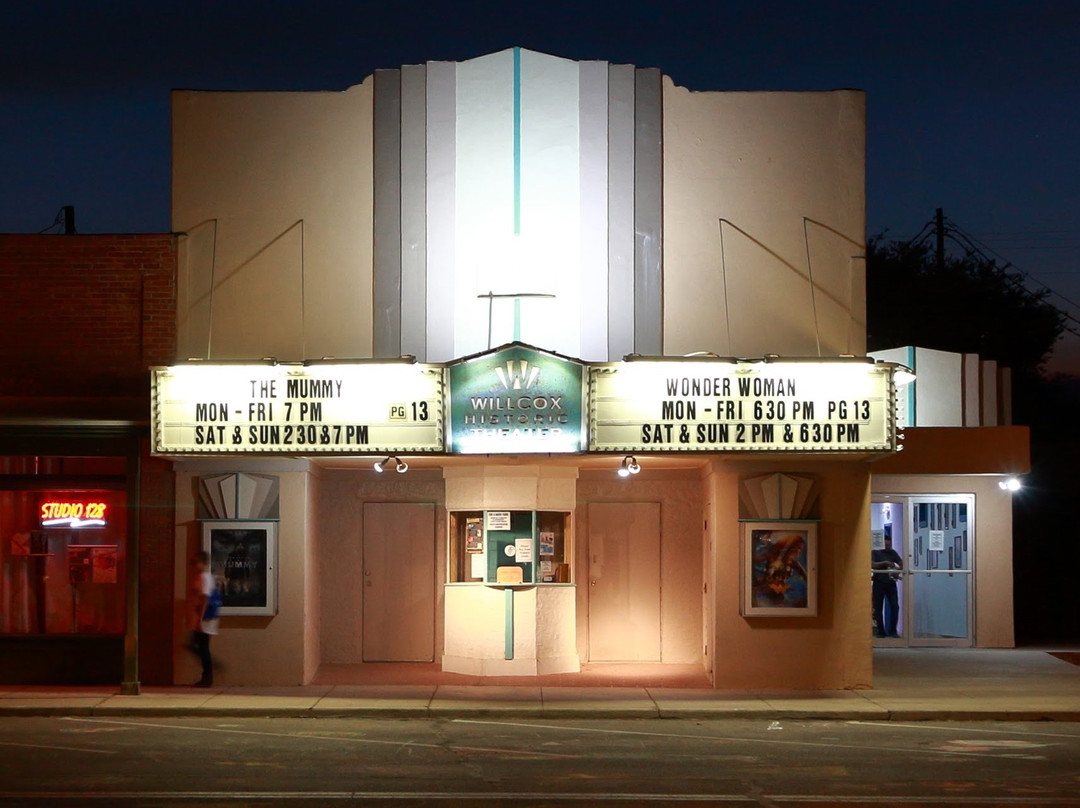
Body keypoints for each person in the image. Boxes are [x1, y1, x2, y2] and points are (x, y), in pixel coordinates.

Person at [189, 551, 219, 687]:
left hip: (206, 617)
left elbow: (205, 598)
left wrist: (200, 619)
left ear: (202, 563)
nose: (195, 566)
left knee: (201, 646)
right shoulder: (202, 577)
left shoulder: (204, 578)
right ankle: (208, 672)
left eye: (196, 562)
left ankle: (208, 674)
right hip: (204, 617)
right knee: (199, 645)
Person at [871, 535, 903, 638]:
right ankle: (881, 631)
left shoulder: (893, 553)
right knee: (878, 607)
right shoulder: (875, 552)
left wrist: (897, 572)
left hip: (890, 583)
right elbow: (872, 565)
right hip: (878, 582)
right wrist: (885, 563)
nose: (887, 547)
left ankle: (893, 631)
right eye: (886, 545)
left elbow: (902, 564)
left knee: (895, 606)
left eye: (889, 545)